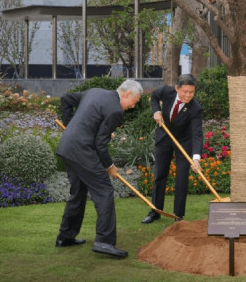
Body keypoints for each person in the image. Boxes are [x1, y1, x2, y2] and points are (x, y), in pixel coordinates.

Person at [56, 79, 143, 258]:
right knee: (104, 191)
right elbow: (100, 144)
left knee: (78, 192)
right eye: (135, 101)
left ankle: (65, 237)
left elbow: (66, 99)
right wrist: (110, 166)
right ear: (127, 94)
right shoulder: (116, 111)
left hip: (67, 148)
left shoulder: (94, 91)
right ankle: (104, 242)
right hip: (82, 151)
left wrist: (69, 125)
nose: (133, 106)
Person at [142, 74, 203, 224]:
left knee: (181, 178)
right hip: (164, 138)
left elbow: (197, 134)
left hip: (184, 142)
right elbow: (154, 97)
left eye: (191, 92)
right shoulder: (166, 91)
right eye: (185, 91)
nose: (188, 95)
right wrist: (156, 111)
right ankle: (155, 211)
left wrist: (196, 159)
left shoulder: (195, 108)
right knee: (159, 175)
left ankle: (178, 216)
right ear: (177, 88)